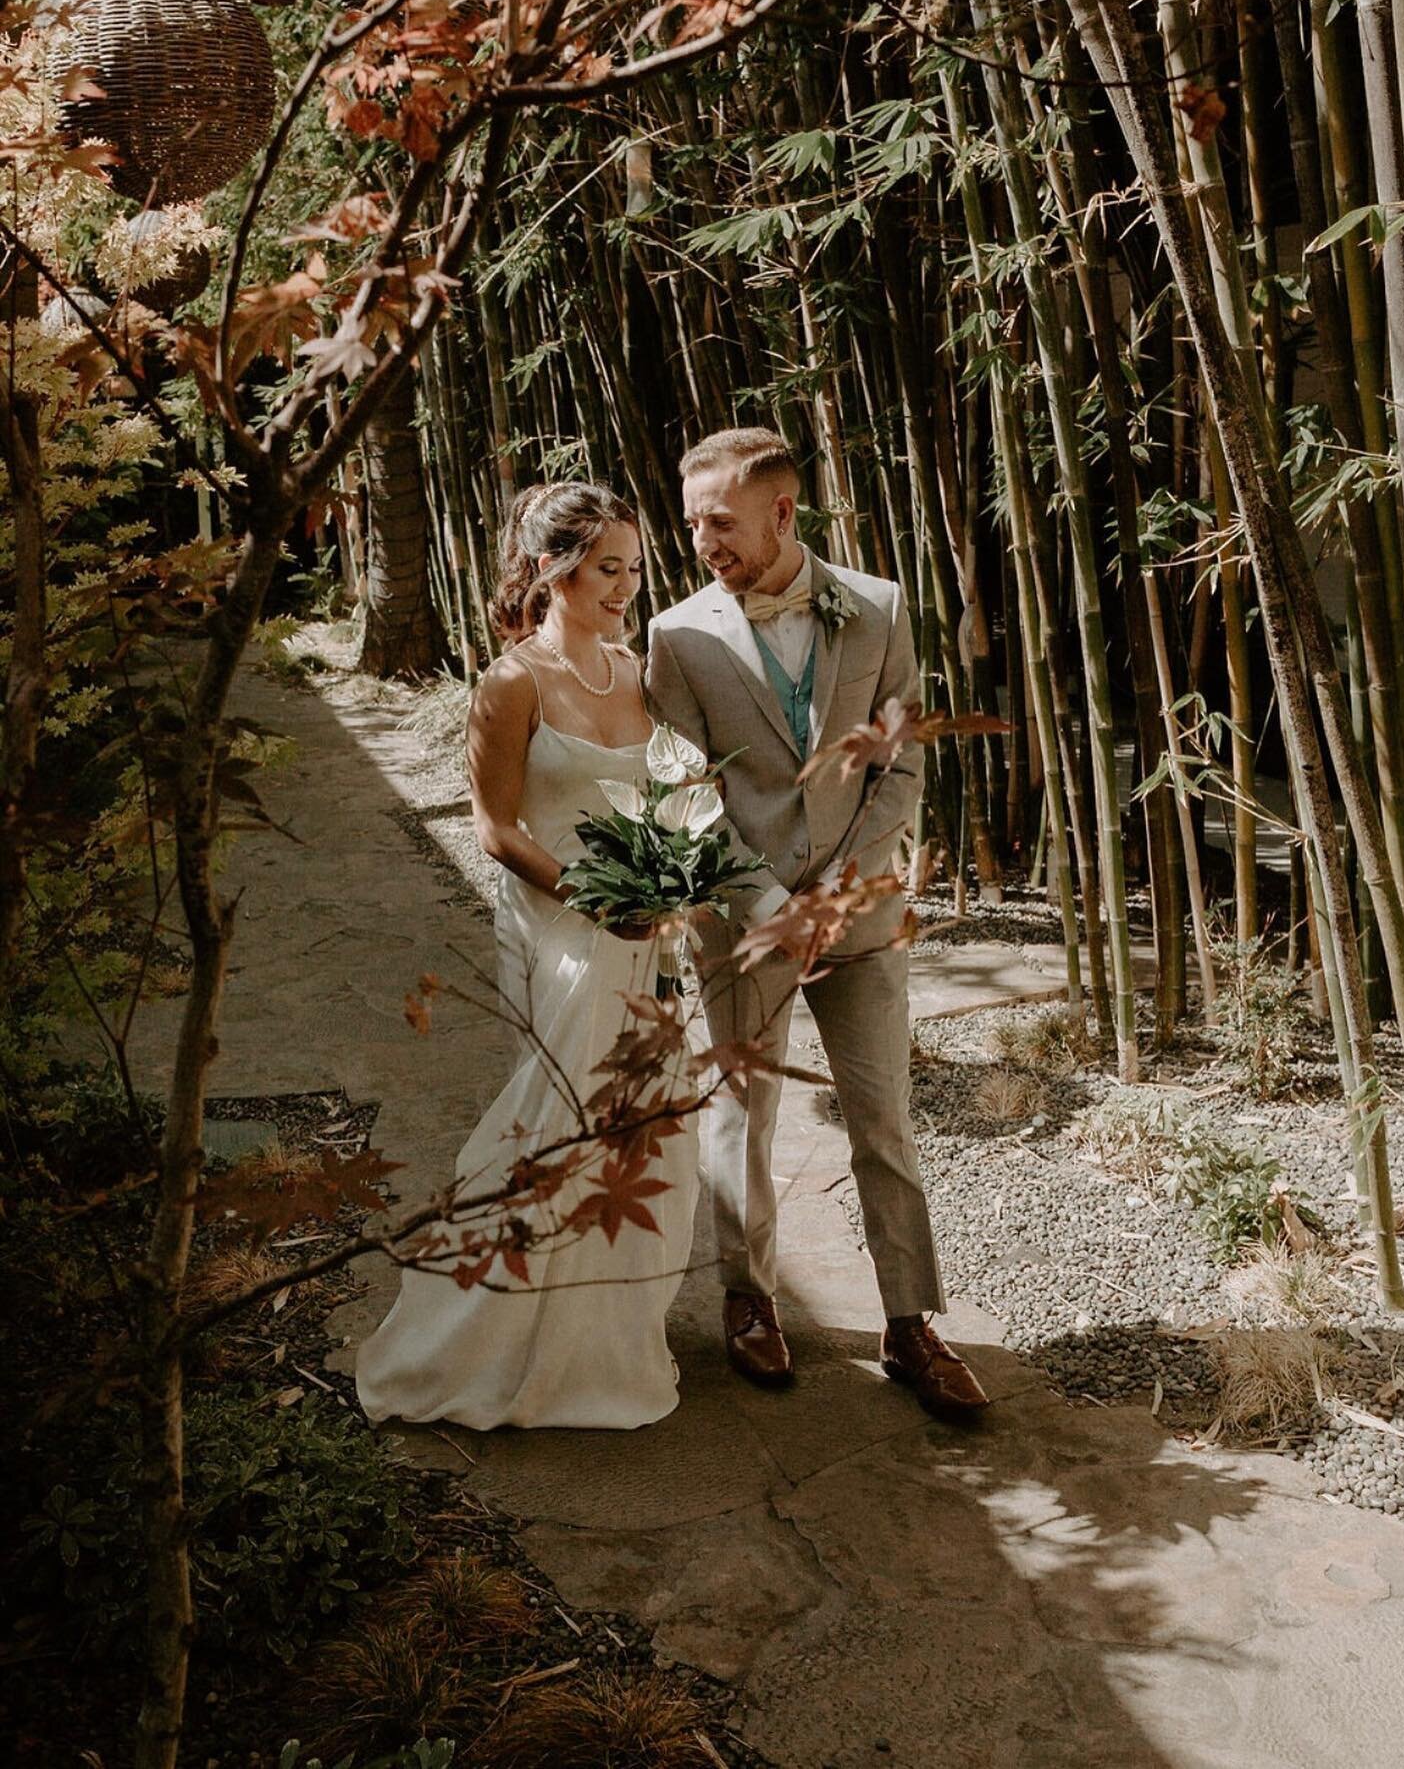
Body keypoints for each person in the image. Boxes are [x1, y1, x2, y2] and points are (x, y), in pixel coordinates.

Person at [646, 427, 988, 1421]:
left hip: (860, 911)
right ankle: (751, 1302)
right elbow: (680, 787)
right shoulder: (678, 636)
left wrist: (836, 888)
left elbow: (904, 767)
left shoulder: (878, 606)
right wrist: (766, 903)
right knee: (738, 1118)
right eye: (692, 521)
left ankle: (911, 1323)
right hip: (740, 920)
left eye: (720, 520)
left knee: (882, 1118)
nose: (702, 538)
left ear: (783, 512)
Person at [357, 483, 699, 1431]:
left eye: (633, 567)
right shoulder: (510, 683)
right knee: (562, 1117)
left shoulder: (638, 672)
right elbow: (494, 827)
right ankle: (488, 1336)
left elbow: (671, 797)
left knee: (644, 1126)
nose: (626, 586)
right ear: (554, 569)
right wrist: (596, 896)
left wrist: (672, 878)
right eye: (606, 569)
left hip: (647, 933)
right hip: (560, 926)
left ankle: (606, 1338)